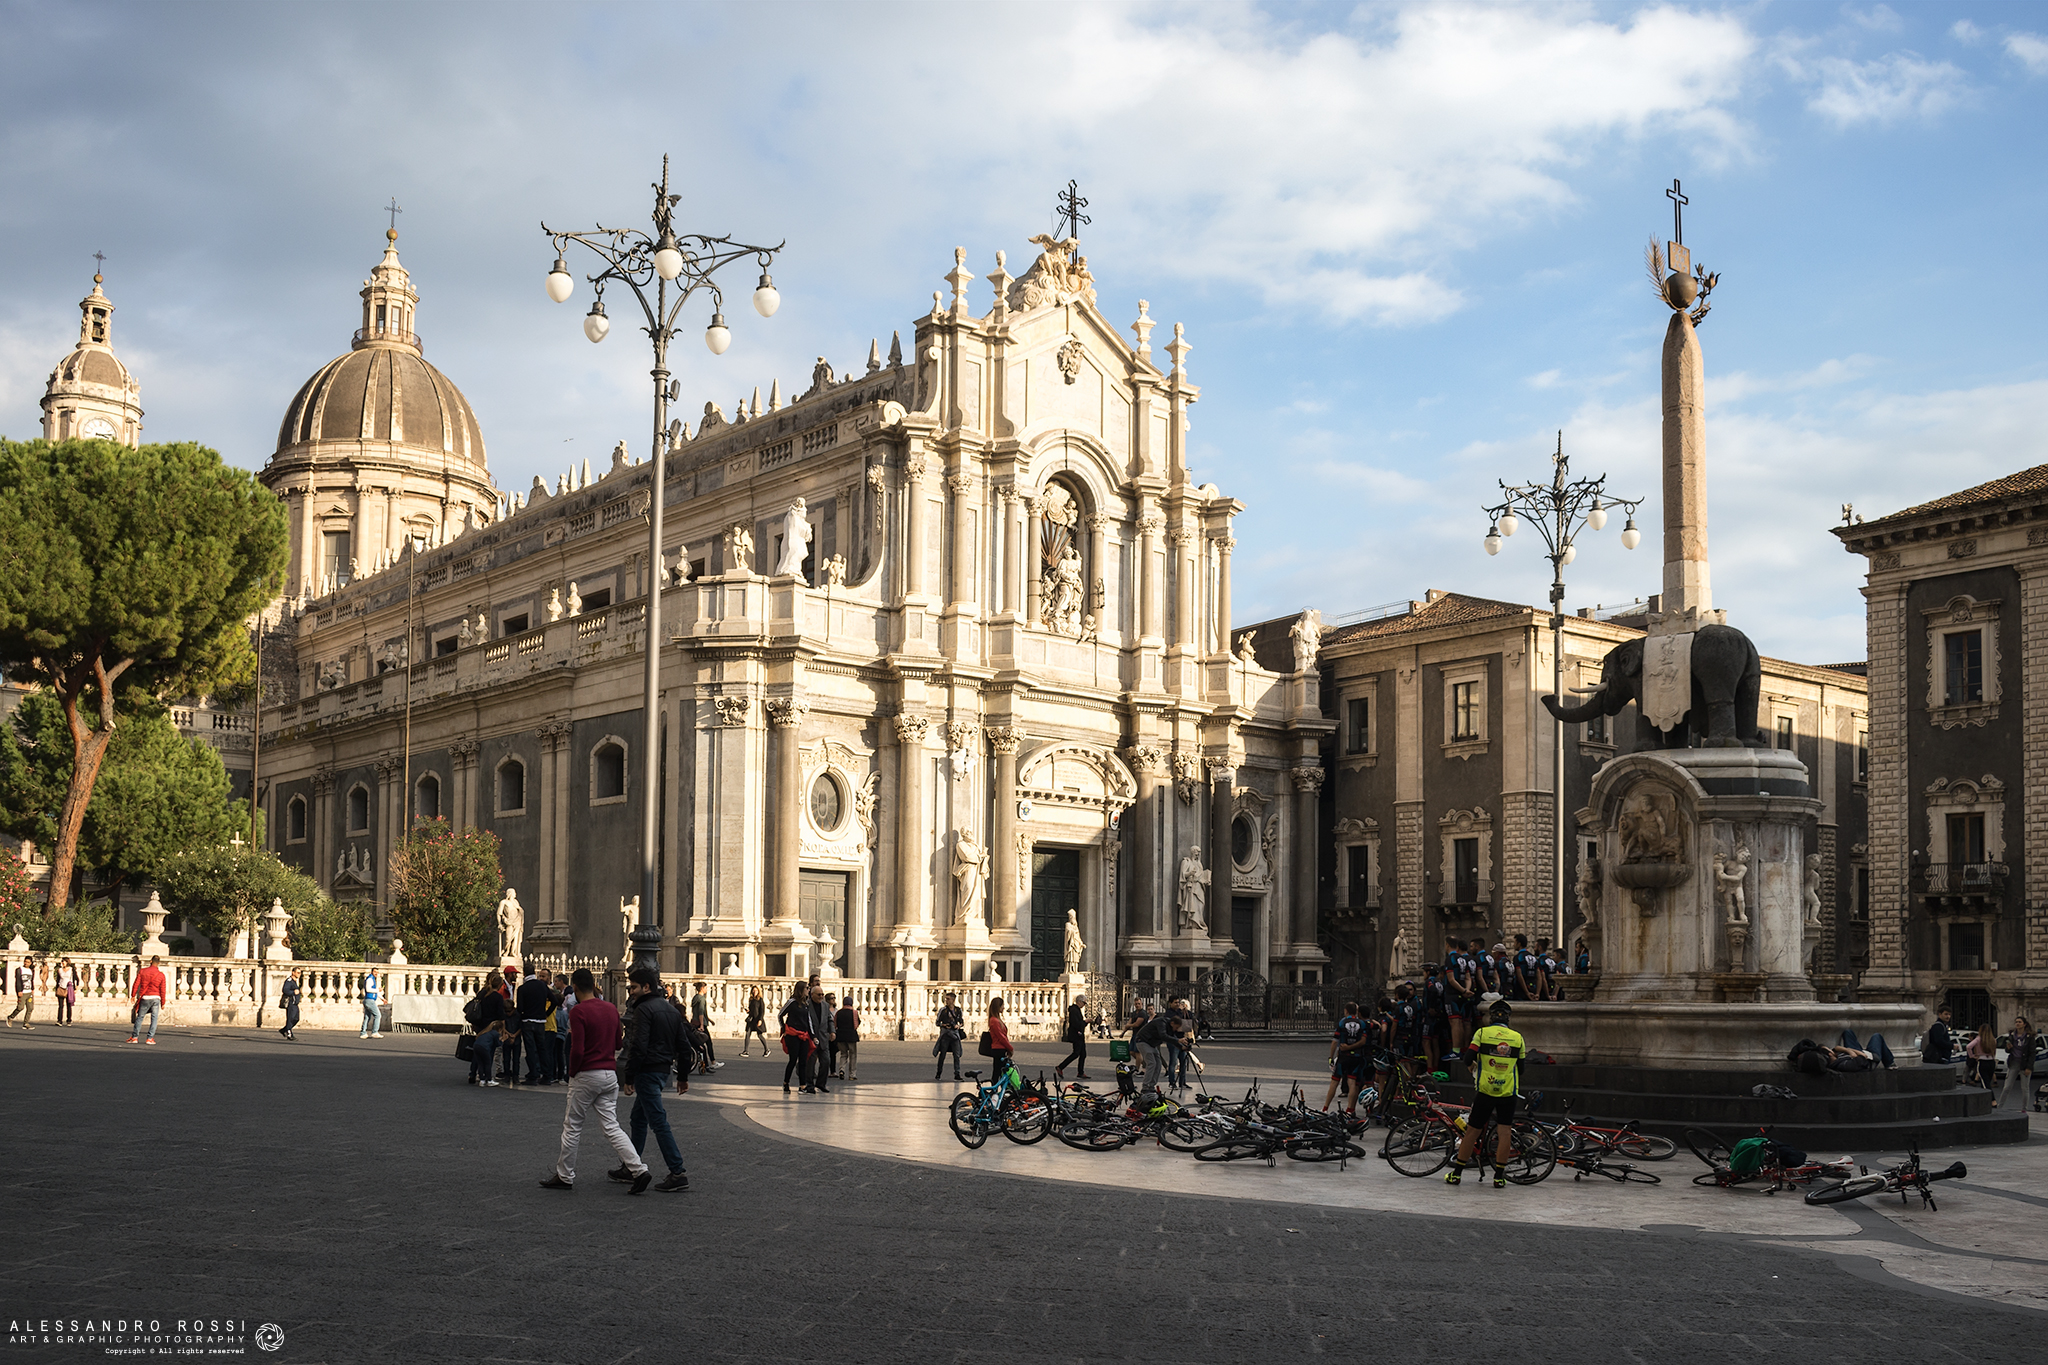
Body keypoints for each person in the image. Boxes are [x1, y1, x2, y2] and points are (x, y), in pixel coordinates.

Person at [540, 968, 649, 1193]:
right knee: (611, 1126)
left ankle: (565, 1175)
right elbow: (619, 1044)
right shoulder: (610, 1009)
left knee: (573, 1126)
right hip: (609, 1075)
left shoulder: (578, 1012)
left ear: (576, 988)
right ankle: (638, 1169)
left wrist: (572, 1072)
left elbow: (577, 1049)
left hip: (587, 1073)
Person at [614, 966, 690, 1194]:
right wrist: (683, 1076)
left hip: (647, 1071)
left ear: (646, 987)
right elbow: (683, 1047)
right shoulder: (671, 1010)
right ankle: (631, 1165)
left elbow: (639, 1044)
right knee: (638, 1118)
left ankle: (677, 1171)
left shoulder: (644, 1010)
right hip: (662, 1069)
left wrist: (629, 1076)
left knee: (658, 1122)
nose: (631, 992)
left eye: (634, 987)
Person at [1447, 997, 1525, 1189]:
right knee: (1504, 1131)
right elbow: (1521, 1069)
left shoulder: (1482, 1034)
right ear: (1508, 1018)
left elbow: (1468, 1057)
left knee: (1473, 1131)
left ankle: (1457, 1174)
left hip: (1486, 1089)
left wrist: (1473, 1067)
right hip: (1508, 1091)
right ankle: (1499, 1177)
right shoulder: (1517, 1038)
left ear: (1491, 1018)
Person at [515, 966, 558, 1085]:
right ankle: (546, 1075)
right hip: (540, 1021)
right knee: (542, 1049)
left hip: (527, 1021)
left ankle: (533, 1075)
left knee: (531, 1049)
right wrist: (546, 1014)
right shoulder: (542, 986)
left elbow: (520, 1008)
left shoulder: (522, 988)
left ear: (524, 973)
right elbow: (554, 1001)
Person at [469, 978, 511, 1085]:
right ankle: (487, 1077)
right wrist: (503, 1029)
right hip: (492, 1025)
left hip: (481, 1023)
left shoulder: (483, 993)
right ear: (500, 985)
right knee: (489, 1053)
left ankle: (473, 1073)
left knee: (477, 1052)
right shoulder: (497, 997)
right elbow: (500, 1014)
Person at [780, 982, 816, 1095]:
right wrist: (784, 1029)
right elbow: (780, 1014)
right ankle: (786, 1082)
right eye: (807, 988)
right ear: (801, 990)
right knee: (793, 1059)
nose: (808, 990)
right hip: (793, 1034)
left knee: (803, 1061)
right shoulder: (792, 1002)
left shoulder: (806, 1004)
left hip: (804, 1034)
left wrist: (813, 1035)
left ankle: (802, 1085)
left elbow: (808, 1020)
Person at [1996, 1016, 2036, 1112]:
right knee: (2007, 1087)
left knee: (2024, 1088)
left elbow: (2032, 1053)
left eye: (2020, 1022)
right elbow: (2007, 1050)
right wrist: (2008, 1048)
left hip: (2024, 1064)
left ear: (2024, 1024)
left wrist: (2029, 1067)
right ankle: (1999, 1107)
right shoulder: (2012, 1035)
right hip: (2013, 1063)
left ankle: (2024, 1108)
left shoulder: (2029, 1037)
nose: (2017, 1024)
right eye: (2016, 1022)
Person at [1130, 1004, 1173, 1090]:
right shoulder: (1148, 1019)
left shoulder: (1157, 1018)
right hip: (1145, 1041)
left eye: (1151, 1009)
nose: (1150, 1011)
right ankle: (1146, 1085)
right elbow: (1162, 1035)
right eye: (1148, 1009)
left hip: (1153, 1042)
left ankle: (1151, 1084)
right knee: (1152, 1062)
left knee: (1157, 1060)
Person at [129, 955, 167, 1044]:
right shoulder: (161, 975)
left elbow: (136, 984)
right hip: (156, 998)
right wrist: (163, 1002)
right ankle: (150, 1038)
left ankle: (135, 1037)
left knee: (140, 1017)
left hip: (145, 997)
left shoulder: (143, 971)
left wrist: (133, 995)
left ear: (150, 961)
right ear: (159, 963)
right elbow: (163, 990)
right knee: (154, 1018)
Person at [807, 977, 834, 1094]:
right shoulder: (807, 1005)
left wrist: (832, 1031)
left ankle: (821, 1083)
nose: (821, 997)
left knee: (826, 1061)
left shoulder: (825, 1005)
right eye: (819, 995)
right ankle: (809, 1085)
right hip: (810, 1038)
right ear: (812, 994)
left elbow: (830, 1019)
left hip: (823, 1038)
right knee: (810, 1064)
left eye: (822, 994)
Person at [1055, 996, 1089, 1081]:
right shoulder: (1074, 1010)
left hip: (1079, 1035)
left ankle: (1080, 1072)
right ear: (1079, 1002)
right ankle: (1060, 1066)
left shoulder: (1076, 1010)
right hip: (1076, 1035)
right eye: (1084, 1003)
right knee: (1076, 1053)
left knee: (1083, 1054)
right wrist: (1085, 1022)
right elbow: (1076, 1024)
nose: (1084, 1005)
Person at [689, 982, 721, 1073]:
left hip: (695, 1022)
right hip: (701, 1023)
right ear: (702, 988)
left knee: (701, 1044)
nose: (707, 989)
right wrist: (702, 1025)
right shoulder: (702, 999)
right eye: (706, 988)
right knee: (708, 1043)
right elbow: (701, 1012)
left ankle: (706, 1064)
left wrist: (709, 1020)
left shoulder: (695, 998)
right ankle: (712, 1062)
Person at [934, 992, 965, 1081]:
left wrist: (958, 1026)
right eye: (946, 999)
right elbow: (937, 1022)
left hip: (955, 1035)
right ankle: (938, 1073)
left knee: (957, 1055)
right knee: (942, 1055)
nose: (946, 1001)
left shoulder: (958, 1010)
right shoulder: (943, 1010)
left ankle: (957, 1073)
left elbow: (961, 1022)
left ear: (953, 1000)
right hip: (945, 1035)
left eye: (948, 999)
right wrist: (943, 1025)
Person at [985, 996, 1014, 1080]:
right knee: (998, 1071)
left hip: (1000, 1048)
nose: (1003, 1008)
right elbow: (1001, 1037)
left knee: (999, 1071)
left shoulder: (995, 1020)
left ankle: (998, 1089)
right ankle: (996, 1089)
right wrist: (1010, 1048)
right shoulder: (994, 1020)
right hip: (998, 1049)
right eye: (1002, 1006)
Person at [833, 994, 860, 1080]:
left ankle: (841, 1069)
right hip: (851, 1035)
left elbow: (835, 1024)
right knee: (853, 1055)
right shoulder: (854, 1012)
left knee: (843, 1054)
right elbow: (856, 1024)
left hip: (840, 1035)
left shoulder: (838, 1012)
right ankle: (852, 1074)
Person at [5, 956, 36, 1029]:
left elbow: (31, 980)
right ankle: (10, 1017)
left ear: (31, 963)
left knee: (30, 1008)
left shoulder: (31, 970)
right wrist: (19, 990)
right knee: (20, 1007)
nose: (26, 963)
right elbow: (18, 981)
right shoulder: (19, 970)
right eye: (25, 961)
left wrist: (32, 989)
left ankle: (26, 1023)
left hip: (29, 992)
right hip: (23, 992)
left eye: (28, 962)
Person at [1967, 1024, 1998, 1090]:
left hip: (1982, 1060)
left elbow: (1968, 1046)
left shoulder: (1978, 1039)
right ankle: (1987, 1098)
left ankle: (1992, 1099)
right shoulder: (1993, 1039)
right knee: (1987, 1082)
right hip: (1991, 1061)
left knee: (1985, 1083)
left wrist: (1972, 1056)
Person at [740, 986, 769, 1057]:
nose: (754, 992)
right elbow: (752, 1010)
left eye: (756, 990)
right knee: (747, 1034)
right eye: (753, 990)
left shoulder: (760, 1000)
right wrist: (748, 1011)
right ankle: (746, 1051)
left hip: (757, 1019)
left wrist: (760, 1020)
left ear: (758, 991)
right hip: (751, 1019)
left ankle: (766, 1049)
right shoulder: (751, 1000)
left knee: (759, 1035)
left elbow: (762, 1011)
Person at [359, 966, 383, 1039]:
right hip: (369, 1000)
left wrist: (382, 998)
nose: (376, 973)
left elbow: (375, 991)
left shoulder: (372, 979)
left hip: (368, 1000)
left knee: (367, 1017)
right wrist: (377, 990)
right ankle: (375, 1032)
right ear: (372, 972)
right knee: (378, 1015)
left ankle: (363, 1033)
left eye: (377, 972)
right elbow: (368, 989)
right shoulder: (370, 979)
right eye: (375, 972)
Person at [53, 957, 77, 1027]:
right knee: (60, 1005)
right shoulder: (59, 970)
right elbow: (58, 980)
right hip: (61, 987)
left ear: (67, 962)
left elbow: (76, 978)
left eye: (64, 962)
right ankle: (59, 1020)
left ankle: (69, 1020)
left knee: (68, 1005)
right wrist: (56, 988)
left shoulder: (71, 970)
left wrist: (75, 988)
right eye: (62, 962)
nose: (62, 963)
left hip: (69, 988)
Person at [278, 968, 301, 1040]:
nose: (299, 974)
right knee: (290, 1018)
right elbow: (285, 990)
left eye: (300, 973)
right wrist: (293, 992)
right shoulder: (289, 981)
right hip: (291, 1002)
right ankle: (289, 1033)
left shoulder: (294, 981)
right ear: (293, 972)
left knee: (296, 1018)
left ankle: (284, 1030)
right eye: (297, 972)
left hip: (295, 1003)